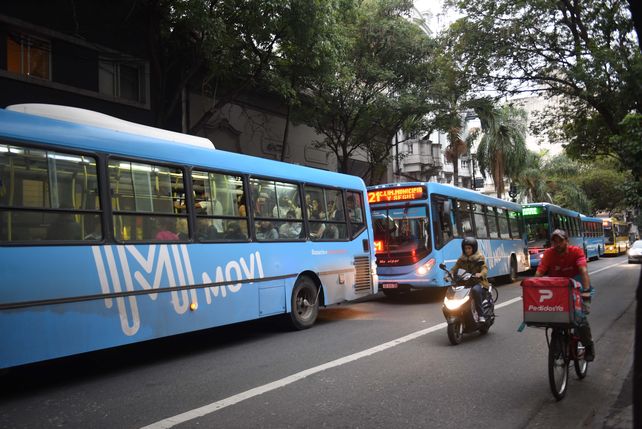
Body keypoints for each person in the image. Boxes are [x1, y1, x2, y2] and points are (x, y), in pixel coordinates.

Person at [535, 228, 595, 361]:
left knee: (580, 319)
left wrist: (585, 292)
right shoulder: (549, 254)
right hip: (557, 287)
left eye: (560, 241)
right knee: (554, 317)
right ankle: (557, 342)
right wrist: (533, 289)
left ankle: (588, 345)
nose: (557, 245)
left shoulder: (576, 251)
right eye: (554, 242)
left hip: (577, 284)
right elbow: (539, 272)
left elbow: (583, 271)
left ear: (566, 241)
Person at [450, 237, 490, 322]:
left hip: (478, 282)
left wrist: (481, 274)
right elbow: (455, 268)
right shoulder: (461, 259)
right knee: (455, 290)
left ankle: (481, 315)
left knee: (475, 290)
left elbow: (484, 268)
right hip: (465, 282)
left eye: (469, 248)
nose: (467, 250)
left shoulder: (479, 258)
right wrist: (450, 272)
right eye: (465, 248)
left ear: (474, 248)